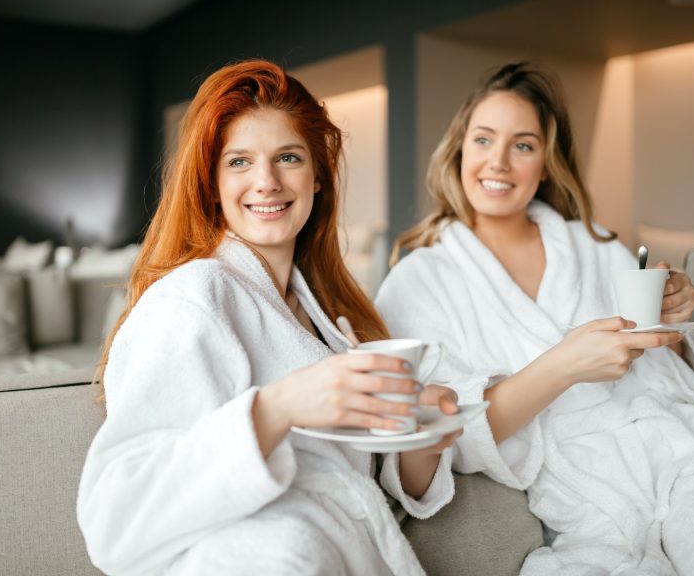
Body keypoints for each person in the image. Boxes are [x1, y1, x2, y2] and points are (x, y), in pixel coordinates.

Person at [77, 59, 461, 576]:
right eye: (238, 162)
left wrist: (425, 433)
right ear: (210, 184)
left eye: (287, 157)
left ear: (318, 176)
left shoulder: (328, 318)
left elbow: (364, 494)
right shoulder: (192, 298)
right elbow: (116, 520)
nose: (267, 182)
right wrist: (276, 408)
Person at [376, 61, 694, 575]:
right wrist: (562, 365)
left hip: (689, 458)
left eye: (522, 145)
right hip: (587, 505)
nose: (498, 161)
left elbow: (670, 377)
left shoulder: (593, 243)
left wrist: (672, 327)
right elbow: (439, 439)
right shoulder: (417, 283)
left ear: (544, 164)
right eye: (483, 140)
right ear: (460, 150)